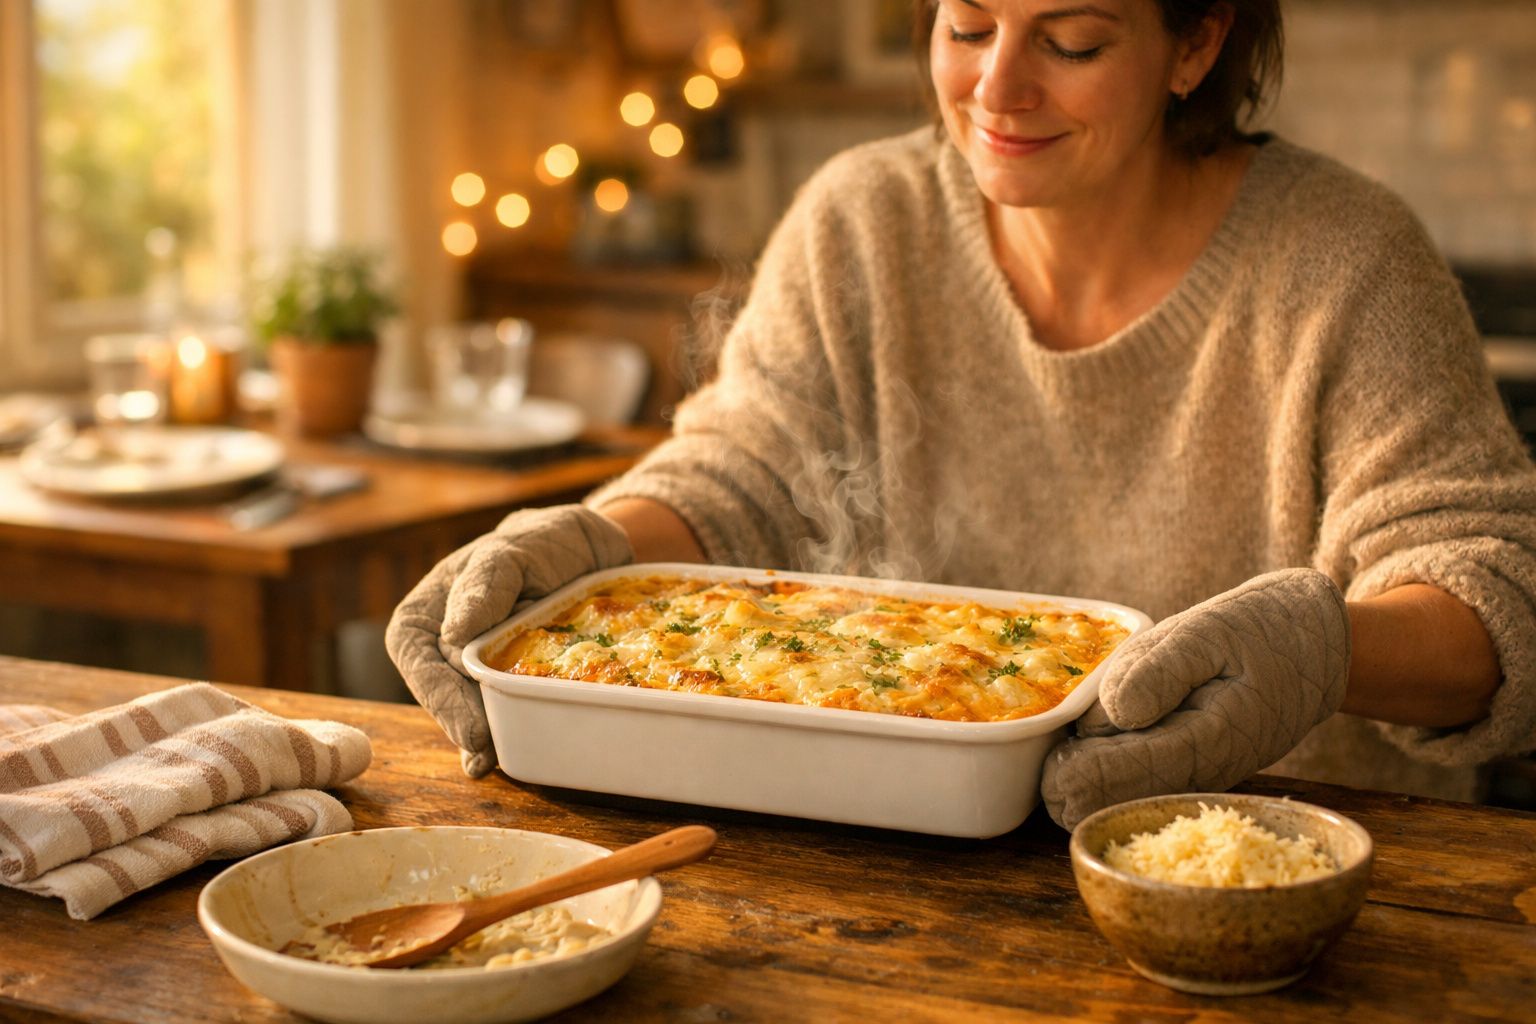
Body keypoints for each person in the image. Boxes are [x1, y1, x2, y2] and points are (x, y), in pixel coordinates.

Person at [388, 0, 1536, 829]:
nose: (997, 91)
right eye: (969, 24)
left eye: (1072, 41)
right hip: (886, 854)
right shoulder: (863, 219)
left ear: (1196, 42)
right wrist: (586, 553)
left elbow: (1496, 598)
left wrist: (1323, 652)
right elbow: (743, 477)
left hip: (1278, 862)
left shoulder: (1346, 260)